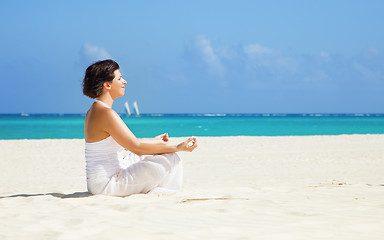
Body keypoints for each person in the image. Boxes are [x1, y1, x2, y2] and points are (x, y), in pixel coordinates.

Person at [82, 59, 198, 197]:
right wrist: (178, 147)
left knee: (158, 152)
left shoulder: (95, 110)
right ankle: (163, 192)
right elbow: (136, 148)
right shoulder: (106, 113)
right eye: (119, 78)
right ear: (107, 85)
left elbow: (126, 144)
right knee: (171, 157)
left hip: (101, 181)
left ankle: (159, 188)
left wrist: (154, 141)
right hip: (108, 185)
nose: (124, 81)